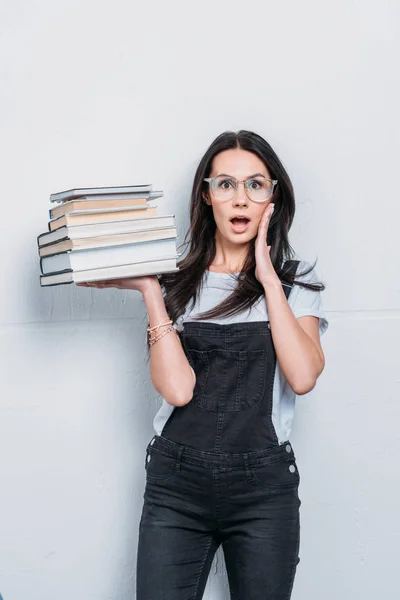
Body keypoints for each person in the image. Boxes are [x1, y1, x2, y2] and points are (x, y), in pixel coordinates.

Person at [79, 129, 329, 599]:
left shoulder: (296, 281)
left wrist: (267, 278)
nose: (240, 198)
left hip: (263, 490)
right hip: (177, 486)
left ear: (273, 197)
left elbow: (302, 375)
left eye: (256, 185)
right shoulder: (174, 280)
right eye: (226, 184)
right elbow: (177, 391)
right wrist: (153, 292)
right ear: (207, 195)